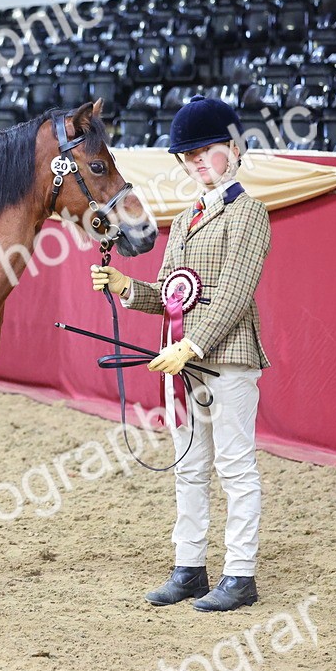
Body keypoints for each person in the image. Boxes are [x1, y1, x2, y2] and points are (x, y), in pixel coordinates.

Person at [90, 95, 270, 612]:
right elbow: (173, 292)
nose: (194, 163)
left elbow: (235, 292)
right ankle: (189, 567)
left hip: (229, 360)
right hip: (184, 363)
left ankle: (241, 574)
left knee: (235, 469)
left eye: (203, 152)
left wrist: (190, 343)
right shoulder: (187, 216)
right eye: (186, 156)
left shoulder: (249, 214)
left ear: (233, 151)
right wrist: (127, 287)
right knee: (189, 467)